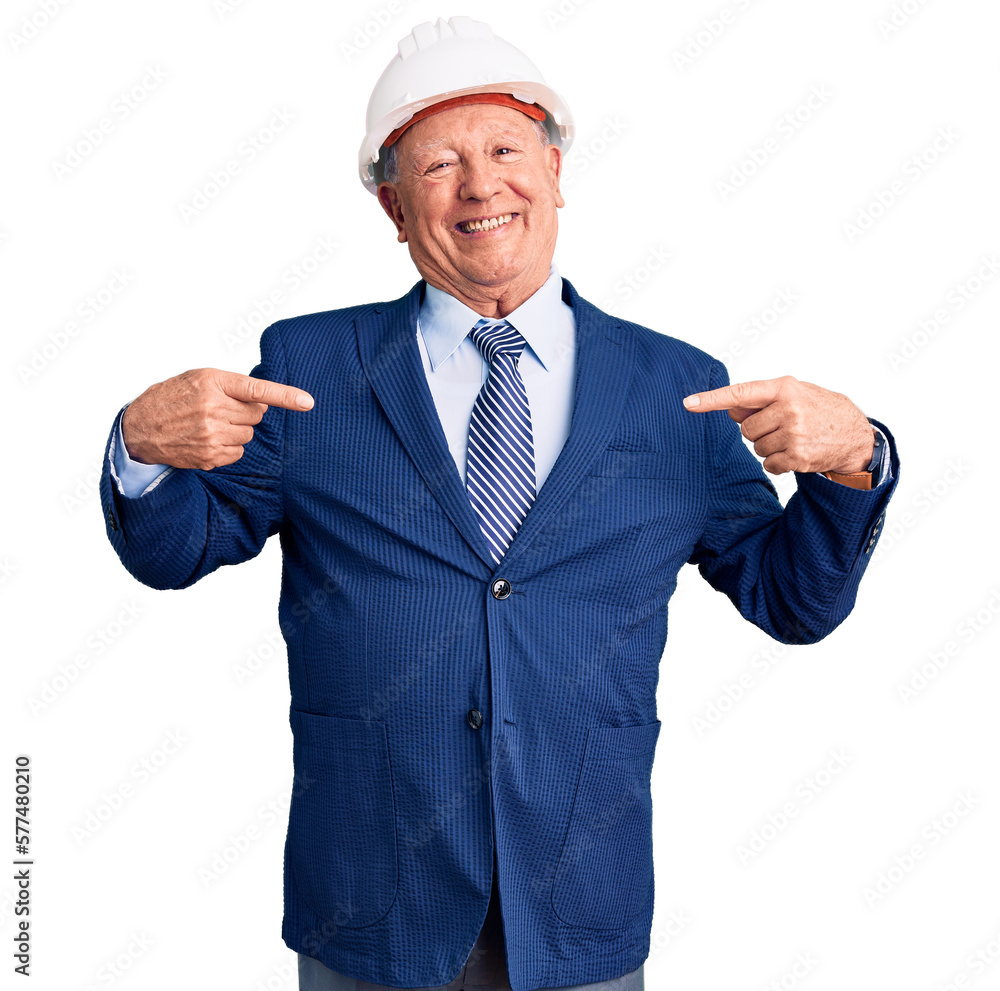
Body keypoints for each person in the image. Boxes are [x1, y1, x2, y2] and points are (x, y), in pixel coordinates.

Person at [99, 16, 898, 991]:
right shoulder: (310, 371)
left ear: (557, 175)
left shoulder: (674, 388)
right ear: (394, 208)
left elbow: (794, 601)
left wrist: (853, 459)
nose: (480, 185)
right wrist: (142, 447)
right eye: (438, 165)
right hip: (371, 911)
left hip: (578, 908)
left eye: (506, 150)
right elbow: (173, 552)